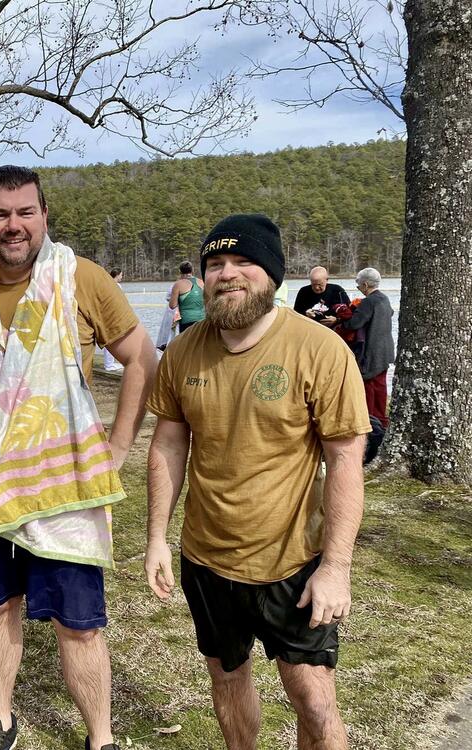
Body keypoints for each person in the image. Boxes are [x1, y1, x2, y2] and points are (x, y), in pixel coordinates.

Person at [0, 165, 158, 750]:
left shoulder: (82, 280)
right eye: (0, 213)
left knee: (80, 623)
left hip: (62, 484)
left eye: (25, 212)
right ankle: (0, 718)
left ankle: (101, 737)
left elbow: (141, 358)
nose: (13, 225)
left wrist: (118, 445)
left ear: (45, 216)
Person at [144, 214, 371, 750]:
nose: (228, 274)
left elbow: (344, 460)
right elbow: (169, 445)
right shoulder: (182, 351)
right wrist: (156, 536)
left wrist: (336, 568)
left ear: (272, 275)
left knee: (313, 701)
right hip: (206, 558)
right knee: (226, 680)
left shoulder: (319, 350)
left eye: (244, 262)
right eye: (216, 264)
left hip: (292, 562)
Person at [344, 267, 395, 431]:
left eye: (358, 284)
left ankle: (371, 423)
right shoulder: (385, 299)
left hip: (372, 351)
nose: (358, 287)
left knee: (369, 387)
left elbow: (354, 324)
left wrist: (339, 320)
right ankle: (381, 421)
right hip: (385, 351)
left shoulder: (369, 301)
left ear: (365, 284)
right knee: (380, 387)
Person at [169, 261, 205, 332]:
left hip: (186, 321)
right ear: (192, 270)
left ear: (180, 271)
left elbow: (172, 305)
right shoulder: (202, 282)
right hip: (202, 321)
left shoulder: (178, 284)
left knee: (187, 343)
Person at [102, 268, 125, 371]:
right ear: (118, 275)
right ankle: (109, 364)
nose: (121, 277)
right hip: (112, 315)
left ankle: (109, 363)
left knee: (109, 339)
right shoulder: (117, 286)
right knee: (112, 339)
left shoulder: (105, 284)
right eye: (121, 275)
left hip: (105, 314)